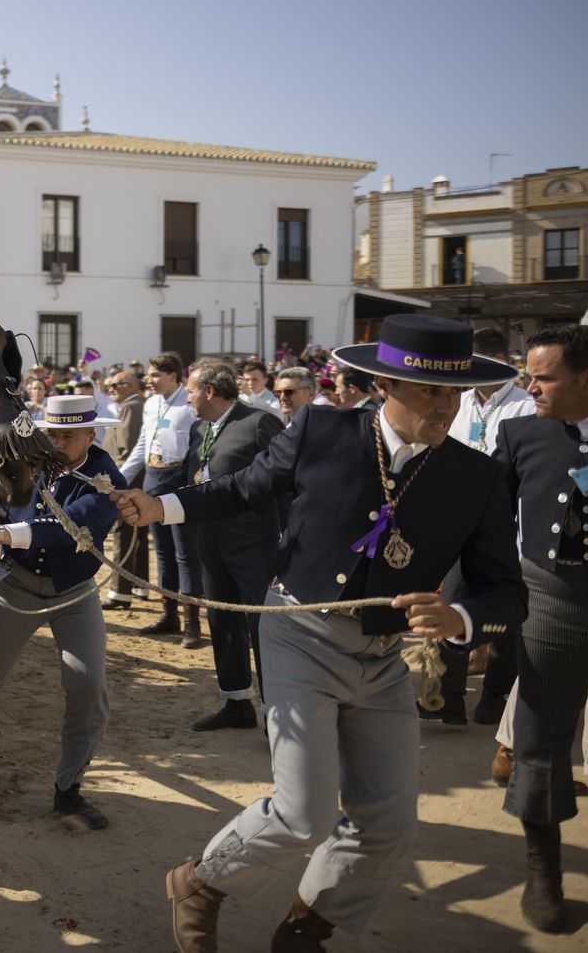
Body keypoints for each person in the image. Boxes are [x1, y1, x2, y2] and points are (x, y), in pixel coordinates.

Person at [117, 313, 527, 951]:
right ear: (386, 385)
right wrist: (161, 505)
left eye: (454, 392)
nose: (447, 406)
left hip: (384, 658)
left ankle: (306, 931)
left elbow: (507, 591)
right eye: (430, 392)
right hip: (298, 634)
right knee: (303, 811)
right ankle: (200, 883)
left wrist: (461, 619)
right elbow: (245, 489)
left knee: (387, 822)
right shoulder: (322, 428)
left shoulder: (478, 475)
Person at [0, 394, 124, 831]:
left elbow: (65, 528)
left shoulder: (108, 479)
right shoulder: (31, 456)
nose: (57, 443)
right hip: (16, 585)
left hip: (73, 592)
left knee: (88, 685)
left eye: (67, 436)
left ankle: (68, 790)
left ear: (92, 434)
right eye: (52, 434)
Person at [493, 324, 588, 932]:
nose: (529, 386)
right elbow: (485, 518)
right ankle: (543, 874)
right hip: (549, 600)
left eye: (542, 376)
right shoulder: (517, 432)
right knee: (540, 741)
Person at [434, 327, 535, 725]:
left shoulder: (525, 407)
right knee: (451, 601)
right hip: (457, 520)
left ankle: (495, 691)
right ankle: (449, 697)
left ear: (496, 361)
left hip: (507, 525)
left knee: (505, 612)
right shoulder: (460, 403)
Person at [178, 359, 285, 731]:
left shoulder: (258, 422)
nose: (187, 397)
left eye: (190, 389)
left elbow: (284, 480)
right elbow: (191, 478)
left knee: (262, 625)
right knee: (222, 620)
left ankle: (279, 712)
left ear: (209, 390)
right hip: (210, 539)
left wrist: (289, 535)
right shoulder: (199, 428)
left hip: (255, 541)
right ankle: (236, 703)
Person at [119, 352, 202, 646]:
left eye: (155, 375)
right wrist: (120, 478)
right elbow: (142, 445)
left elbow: (197, 449)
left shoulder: (189, 405)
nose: (149, 380)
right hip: (153, 478)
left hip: (179, 480)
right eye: (149, 374)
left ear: (173, 375)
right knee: (164, 553)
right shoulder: (151, 404)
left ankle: (193, 622)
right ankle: (169, 615)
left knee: (186, 554)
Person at [101, 371, 148, 610]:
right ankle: (139, 584)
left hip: (126, 480)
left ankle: (121, 591)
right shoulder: (131, 406)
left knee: (125, 531)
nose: (110, 389)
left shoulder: (132, 407)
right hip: (129, 477)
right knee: (135, 533)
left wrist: (116, 482)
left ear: (129, 386)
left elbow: (128, 449)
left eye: (115, 385)